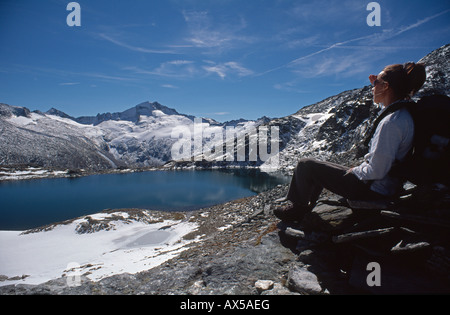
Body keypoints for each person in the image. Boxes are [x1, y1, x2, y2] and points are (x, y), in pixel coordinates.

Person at [274, 62, 427, 222]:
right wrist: (378, 82)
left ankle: (297, 209)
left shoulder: (391, 122)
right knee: (322, 166)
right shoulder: (403, 113)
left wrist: (356, 171)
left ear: (386, 86)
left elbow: (377, 170)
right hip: (384, 185)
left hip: (373, 188)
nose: (372, 88)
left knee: (305, 165)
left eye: (376, 84)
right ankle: (304, 206)